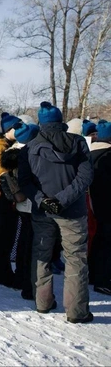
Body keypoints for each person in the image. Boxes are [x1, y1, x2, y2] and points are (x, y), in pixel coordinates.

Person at [18, 101, 94, 324]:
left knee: (41, 254)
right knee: (75, 258)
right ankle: (76, 311)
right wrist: (60, 201)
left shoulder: (29, 147)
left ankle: (42, 302)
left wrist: (46, 201)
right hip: (73, 211)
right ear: (60, 121)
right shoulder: (78, 142)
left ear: (41, 123)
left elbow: (25, 182)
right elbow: (85, 178)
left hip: (44, 211)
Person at [0, 122, 40, 300]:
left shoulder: (11, 153)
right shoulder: (29, 153)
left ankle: (20, 277)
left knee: (23, 240)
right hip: (31, 202)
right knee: (29, 243)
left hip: (21, 203)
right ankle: (26, 281)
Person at [0, 112, 23, 288]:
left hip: (4, 197)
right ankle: (1, 272)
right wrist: (15, 197)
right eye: (16, 128)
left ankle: (3, 270)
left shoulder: (7, 145)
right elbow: (3, 175)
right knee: (4, 236)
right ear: (8, 130)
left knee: (7, 237)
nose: (19, 130)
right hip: (1, 198)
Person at [89, 120, 111, 296]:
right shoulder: (108, 156)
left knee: (98, 238)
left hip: (92, 203)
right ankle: (102, 279)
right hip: (106, 203)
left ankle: (93, 274)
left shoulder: (89, 153)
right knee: (106, 242)